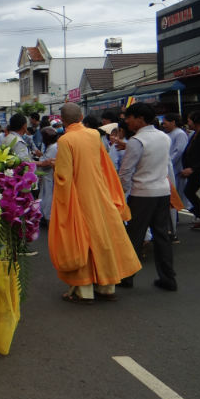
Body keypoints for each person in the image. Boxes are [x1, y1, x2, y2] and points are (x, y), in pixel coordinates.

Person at [48, 103, 141, 303]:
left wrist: (62, 202)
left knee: (81, 240)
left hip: (79, 197)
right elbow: (105, 164)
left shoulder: (65, 140)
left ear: (62, 121)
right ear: (81, 116)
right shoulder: (94, 135)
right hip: (100, 194)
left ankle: (85, 291)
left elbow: (64, 177)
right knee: (102, 237)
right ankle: (106, 287)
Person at [119, 103, 177, 291]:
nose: (126, 121)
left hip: (143, 193)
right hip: (162, 191)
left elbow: (126, 171)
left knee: (134, 236)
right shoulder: (163, 137)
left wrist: (120, 194)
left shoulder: (137, 141)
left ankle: (127, 277)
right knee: (162, 236)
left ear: (140, 119)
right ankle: (168, 278)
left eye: (129, 117)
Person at [182, 110, 200, 227]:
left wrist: (193, 168)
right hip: (194, 171)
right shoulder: (194, 134)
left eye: (189, 120)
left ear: (195, 122)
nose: (188, 123)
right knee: (189, 192)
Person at [37, 127, 59, 223]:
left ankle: (49, 218)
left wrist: (29, 162)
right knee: (45, 196)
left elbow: (45, 162)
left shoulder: (53, 147)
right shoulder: (52, 146)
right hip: (47, 176)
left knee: (48, 197)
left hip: (49, 176)